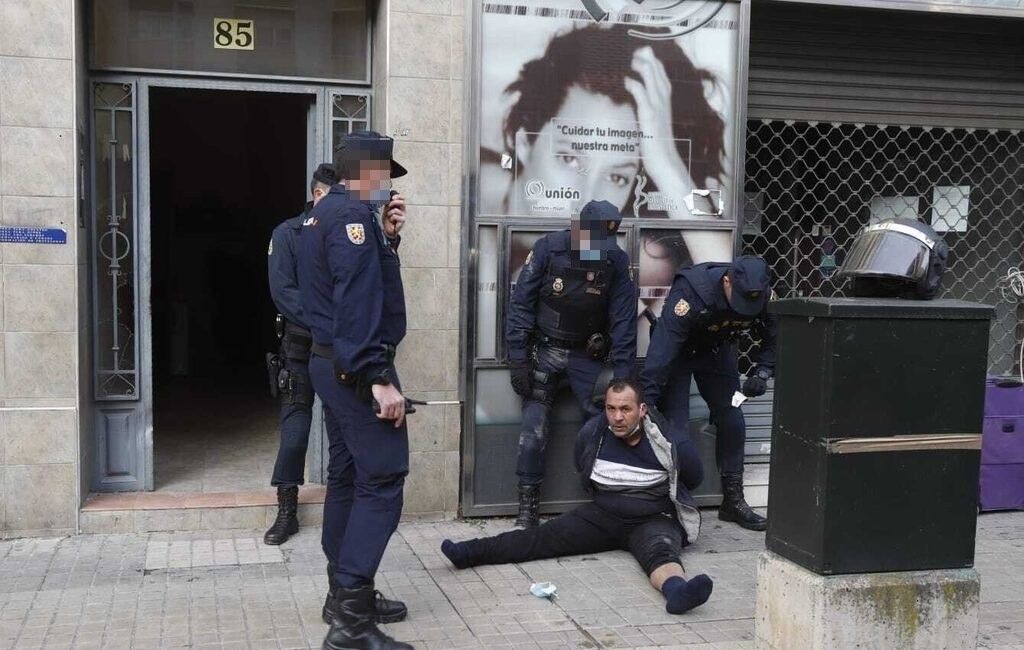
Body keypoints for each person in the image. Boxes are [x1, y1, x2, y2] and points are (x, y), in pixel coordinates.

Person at [440, 379, 714, 615]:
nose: (617, 417)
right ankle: (469, 552)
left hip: (652, 519)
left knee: (662, 554)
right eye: (611, 409)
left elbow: (693, 477)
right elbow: (581, 463)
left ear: (642, 410)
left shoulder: (670, 442)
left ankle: (678, 593)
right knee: (538, 537)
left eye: (625, 409)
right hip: (602, 516)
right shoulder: (594, 433)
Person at [479, 23, 733, 263]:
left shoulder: (600, 248)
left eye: (617, 177)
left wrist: (667, 161)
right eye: (569, 158)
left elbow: (728, 286)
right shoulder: (474, 207)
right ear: (523, 142)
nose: (586, 202)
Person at [298, 131, 412, 650]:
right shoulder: (350, 219)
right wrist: (379, 378)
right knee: (383, 479)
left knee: (347, 475)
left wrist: (388, 238)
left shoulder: (329, 214)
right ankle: (351, 625)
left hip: (333, 364)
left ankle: (344, 597)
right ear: (368, 172)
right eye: (385, 173)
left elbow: (355, 289)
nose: (389, 184)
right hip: (356, 371)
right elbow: (357, 303)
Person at [507, 199, 638, 529]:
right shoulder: (549, 249)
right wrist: (518, 359)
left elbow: (623, 322)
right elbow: (521, 304)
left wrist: (624, 381)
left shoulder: (615, 260)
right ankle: (527, 508)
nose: (598, 248)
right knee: (533, 428)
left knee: (605, 423)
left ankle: (604, 498)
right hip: (546, 351)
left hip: (586, 355)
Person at [639, 255, 777, 531]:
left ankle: (733, 502)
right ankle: (677, 501)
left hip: (715, 352)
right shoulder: (692, 290)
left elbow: (775, 335)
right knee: (677, 429)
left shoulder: (764, 293)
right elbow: (663, 350)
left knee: (733, 418)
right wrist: (648, 398)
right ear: (726, 281)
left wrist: (762, 372)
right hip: (677, 353)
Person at [264, 163, 336, 546]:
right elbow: (284, 292)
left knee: (342, 430)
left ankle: (346, 506)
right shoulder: (287, 234)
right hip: (300, 347)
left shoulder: (343, 235)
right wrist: (328, 322)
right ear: (318, 194)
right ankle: (287, 510)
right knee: (294, 433)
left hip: (339, 349)